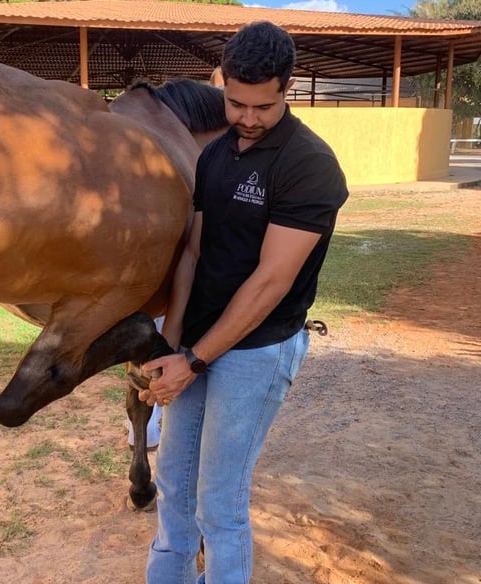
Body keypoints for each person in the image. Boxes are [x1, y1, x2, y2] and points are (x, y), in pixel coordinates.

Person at [139, 21, 349, 584]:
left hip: (257, 350)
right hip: (196, 346)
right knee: (174, 485)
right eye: (236, 104)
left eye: (264, 106)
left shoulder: (309, 163)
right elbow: (194, 253)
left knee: (219, 502)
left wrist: (194, 360)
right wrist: (168, 345)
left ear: (288, 88)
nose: (249, 118)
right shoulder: (214, 156)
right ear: (221, 83)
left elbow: (270, 282)